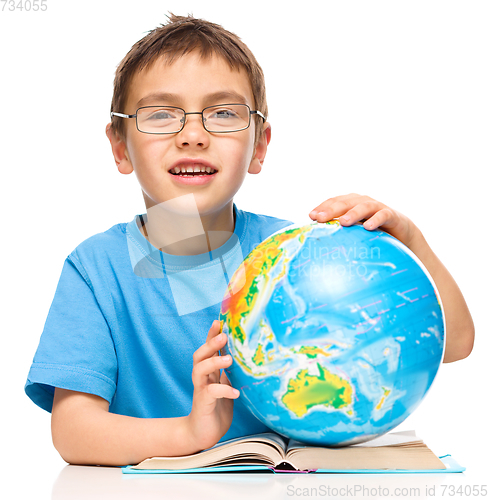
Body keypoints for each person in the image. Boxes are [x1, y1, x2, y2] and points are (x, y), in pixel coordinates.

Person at [25, 14, 474, 467]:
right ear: (120, 147)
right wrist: (189, 432)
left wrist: (410, 240)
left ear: (259, 146)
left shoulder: (296, 254)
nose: (193, 136)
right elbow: (72, 432)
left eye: (223, 113)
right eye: (161, 114)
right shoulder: (96, 269)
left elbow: (454, 343)